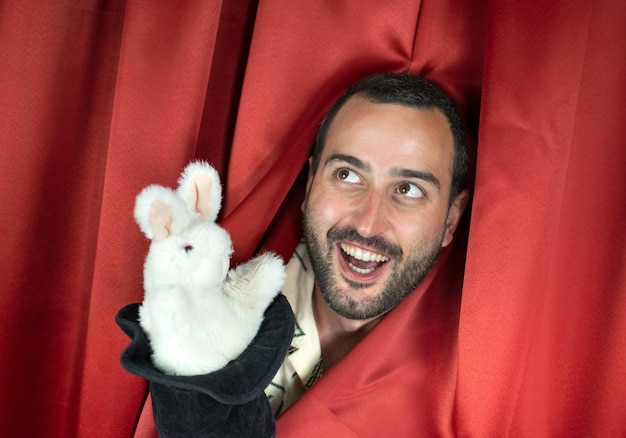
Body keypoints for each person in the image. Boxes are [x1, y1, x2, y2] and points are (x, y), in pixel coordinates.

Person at [117, 72, 470, 436]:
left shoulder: (460, 392)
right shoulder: (219, 298)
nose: (367, 224)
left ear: (450, 220)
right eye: (347, 175)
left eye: (408, 189)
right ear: (310, 183)